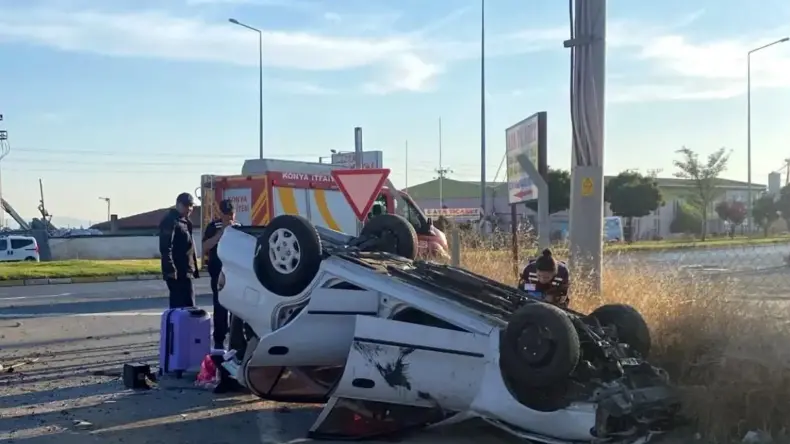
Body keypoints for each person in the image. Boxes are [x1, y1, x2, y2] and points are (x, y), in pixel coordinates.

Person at [202, 199, 236, 350]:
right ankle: (219, 339)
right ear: (220, 214)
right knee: (220, 306)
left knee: (236, 308)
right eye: (226, 214)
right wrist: (221, 233)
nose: (229, 218)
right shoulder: (213, 227)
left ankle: (236, 339)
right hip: (218, 273)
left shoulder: (238, 227)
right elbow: (205, 247)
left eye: (231, 214)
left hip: (235, 274)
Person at [159, 192, 199, 309]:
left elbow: (190, 247)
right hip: (176, 272)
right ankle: (177, 327)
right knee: (179, 307)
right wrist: (170, 269)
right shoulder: (170, 220)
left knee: (189, 307)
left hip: (186, 271)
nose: (189, 209)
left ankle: (185, 327)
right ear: (178, 205)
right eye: (186, 205)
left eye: (191, 206)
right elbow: (166, 247)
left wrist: (194, 268)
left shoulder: (186, 222)